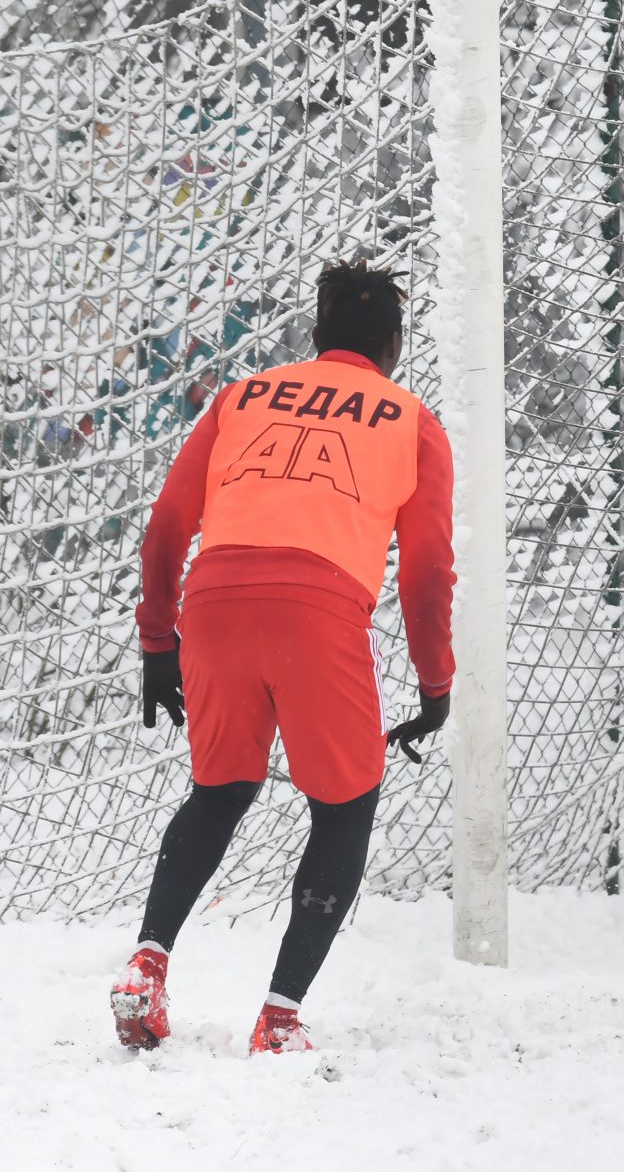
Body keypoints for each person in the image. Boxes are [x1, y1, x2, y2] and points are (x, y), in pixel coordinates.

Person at [112, 262, 453, 1054]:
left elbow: (168, 520)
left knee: (219, 790)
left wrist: (157, 641)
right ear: (394, 347)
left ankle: (146, 965)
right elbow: (430, 569)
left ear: (314, 336)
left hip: (215, 600)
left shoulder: (243, 395)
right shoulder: (413, 421)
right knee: (344, 809)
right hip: (320, 610)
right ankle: (279, 1017)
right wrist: (436, 684)